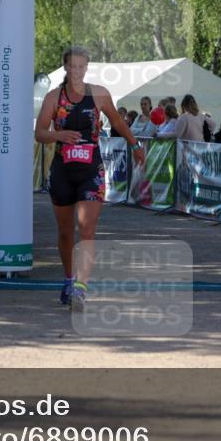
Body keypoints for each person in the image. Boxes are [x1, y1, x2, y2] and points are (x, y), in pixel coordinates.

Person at [34, 46, 145, 312]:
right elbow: (39, 132)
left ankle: (81, 289)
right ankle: (69, 280)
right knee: (64, 232)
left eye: (81, 67)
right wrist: (59, 136)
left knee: (86, 229)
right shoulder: (53, 98)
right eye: (72, 67)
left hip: (91, 171)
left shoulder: (99, 94)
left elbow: (117, 122)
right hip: (62, 170)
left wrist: (135, 145)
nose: (77, 71)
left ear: (86, 68)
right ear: (65, 68)